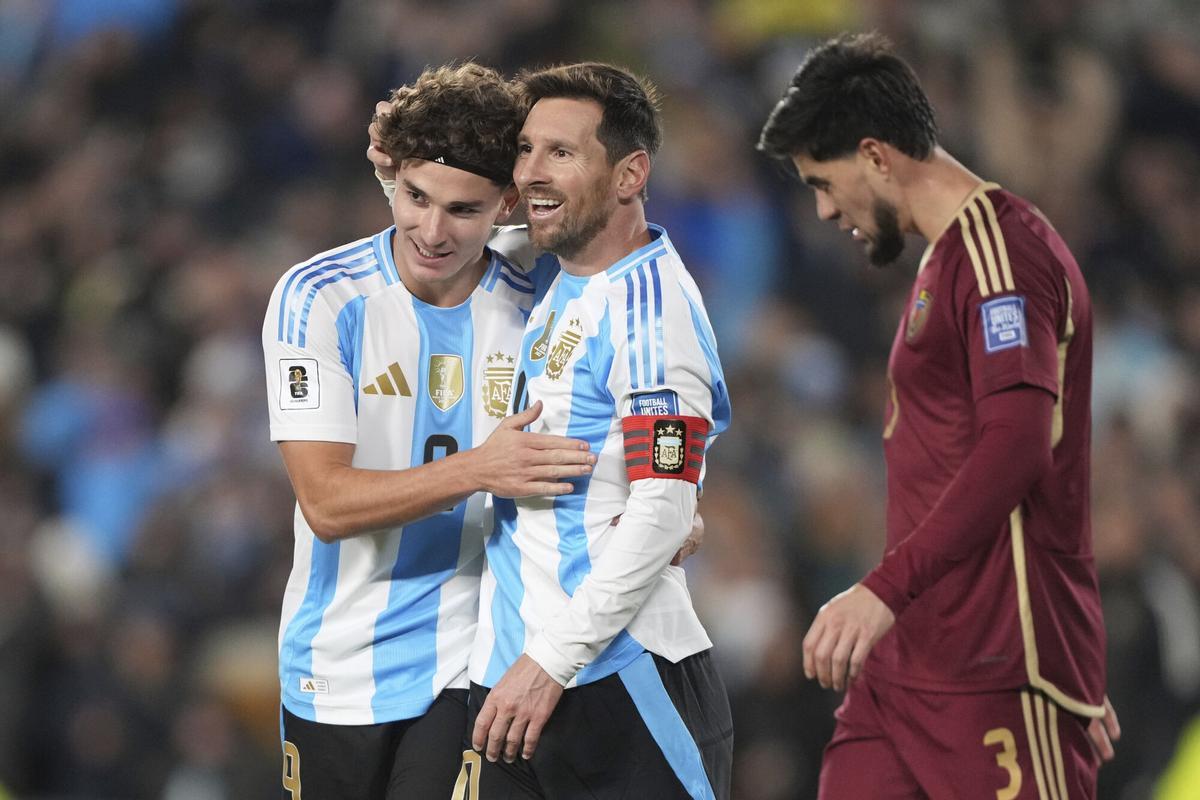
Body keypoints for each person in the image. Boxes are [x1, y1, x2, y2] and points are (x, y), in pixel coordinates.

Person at [757, 33, 1121, 798]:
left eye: (825, 183)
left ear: (878, 157)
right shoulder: (947, 259)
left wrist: (885, 590)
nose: (824, 209)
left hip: (996, 669)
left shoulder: (1004, 257)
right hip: (909, 668)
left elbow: (1017, 448)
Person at [261, 62, 597, 800]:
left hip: (469, 661)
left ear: (507, 203)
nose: (432, 231)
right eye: (415, 197)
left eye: (464, 210)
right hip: (335, 666)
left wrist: (666, 499)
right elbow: (325, 502)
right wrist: (480, 468)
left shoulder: (540, 293)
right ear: (392, 180)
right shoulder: (319, 298)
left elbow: (619, 217)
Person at [445, 62, 734, 800]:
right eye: (525, 150)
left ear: (631, 173)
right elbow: (433, 235)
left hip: (617, 685)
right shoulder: (544, 274)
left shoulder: (650, 307)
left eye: (561, 153)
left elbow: (663, 506)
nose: (531, 174)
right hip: (511, 686)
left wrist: (551, 662)